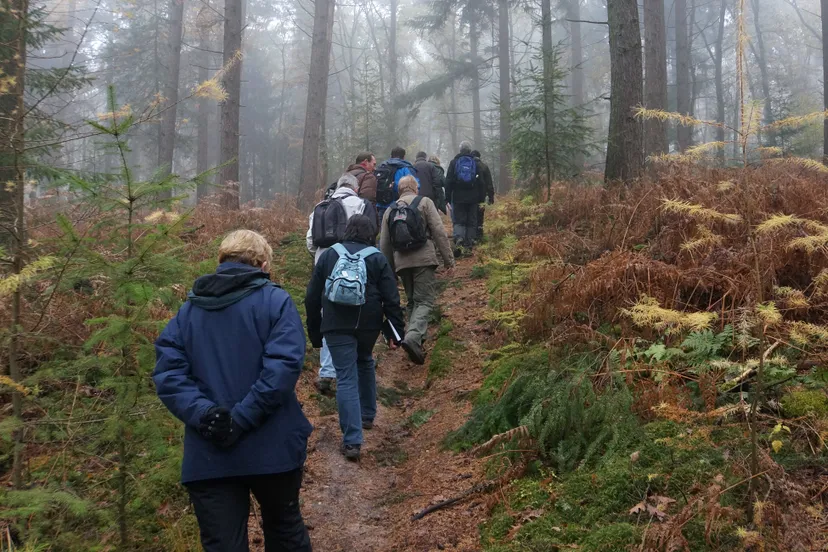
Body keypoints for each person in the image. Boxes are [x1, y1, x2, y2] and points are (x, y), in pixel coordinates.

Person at [153, 230, 312, 552]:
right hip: (273, 448)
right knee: (284, 531)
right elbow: (282, 367)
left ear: (221, 262)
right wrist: (240, 418)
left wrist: (206, 414)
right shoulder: (275, 301)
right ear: (263, 264)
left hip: (209, 454)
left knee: (223, 545)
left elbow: (169, 373)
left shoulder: (188, 312)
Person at [305, 215, 405, 461]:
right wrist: (395, 332)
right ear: (371, 233)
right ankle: (368, 415)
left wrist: (316, 333)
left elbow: (312, 296)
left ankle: (352, 442)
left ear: (346, 230)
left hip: (336, 325)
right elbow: (392, 298)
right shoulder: (377, 258)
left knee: (346, 377)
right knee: (365, 360)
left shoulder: (329, 255)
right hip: (368, 324)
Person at [307, 173, 377, 396]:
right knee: (355, 311)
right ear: (355, 188)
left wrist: (320, 258)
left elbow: (310, 240)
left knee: (327, 313)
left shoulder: (321, 206)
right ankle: (352, 366)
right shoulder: (360, 204)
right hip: (355, 264)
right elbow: (368, 233)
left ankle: (327, 372)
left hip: (324, 261)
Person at [380, 176, 455, 365]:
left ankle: (415, 341)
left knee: (413, 301)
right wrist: (449, 260)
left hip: (401, 262)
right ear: (415, 188)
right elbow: (438, 231)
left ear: (400, 190)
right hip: (424, 258)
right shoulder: (424, 202)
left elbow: (385, 244)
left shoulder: (390, 210)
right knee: (425, 301)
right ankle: (413, 337)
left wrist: (389, 271)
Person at [445, 141, 486, 256]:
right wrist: (481, 200)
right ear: (469, 150)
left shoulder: (454, 162)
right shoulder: (475, 163)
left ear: (460, 150)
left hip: (458, 198)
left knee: (459, 221)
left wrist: (447, 198)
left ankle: (459, 240)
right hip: (473, 198)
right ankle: (468, 247)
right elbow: (481, 183)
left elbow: (448, 181)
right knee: (471, 222)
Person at [375, 146, 418, 222]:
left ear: (391, 156)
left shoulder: (382, 166)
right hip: (399, 207)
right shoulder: (406, 168)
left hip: (381, 205)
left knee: (383, 231)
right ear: (403, 157)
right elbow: (416, 186)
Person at [471, 150, 495, 239]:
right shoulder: (484, 167)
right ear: (479, 157)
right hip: (481, 196)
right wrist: (491, 197)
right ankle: (480, 235)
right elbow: (489, 183)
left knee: (471, 215)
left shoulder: (470, 166)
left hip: (470, 196)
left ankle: (471, 236)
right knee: (480, 216)